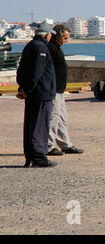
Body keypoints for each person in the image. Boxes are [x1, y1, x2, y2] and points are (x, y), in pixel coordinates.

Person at [16, 23, 57, 167]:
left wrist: (22, 87)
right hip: (40, 93)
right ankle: (39, 157)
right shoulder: (41, 48)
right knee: (39, 125)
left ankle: (31, 157)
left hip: (33, 92)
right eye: (51, 34)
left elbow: (21, 69)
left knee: (31, 125)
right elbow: (36, 72)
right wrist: (27, 89)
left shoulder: (30, 46)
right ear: (47, 35)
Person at [47, 24, 84, 155]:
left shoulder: (57, 46)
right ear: (58, 36)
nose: (66, 41)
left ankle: (65, 144)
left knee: (62, 118)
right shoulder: (51, 47)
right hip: (53, 89)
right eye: (65, 38)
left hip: (60, 90)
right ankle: (49, 146)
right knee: (53, 117)